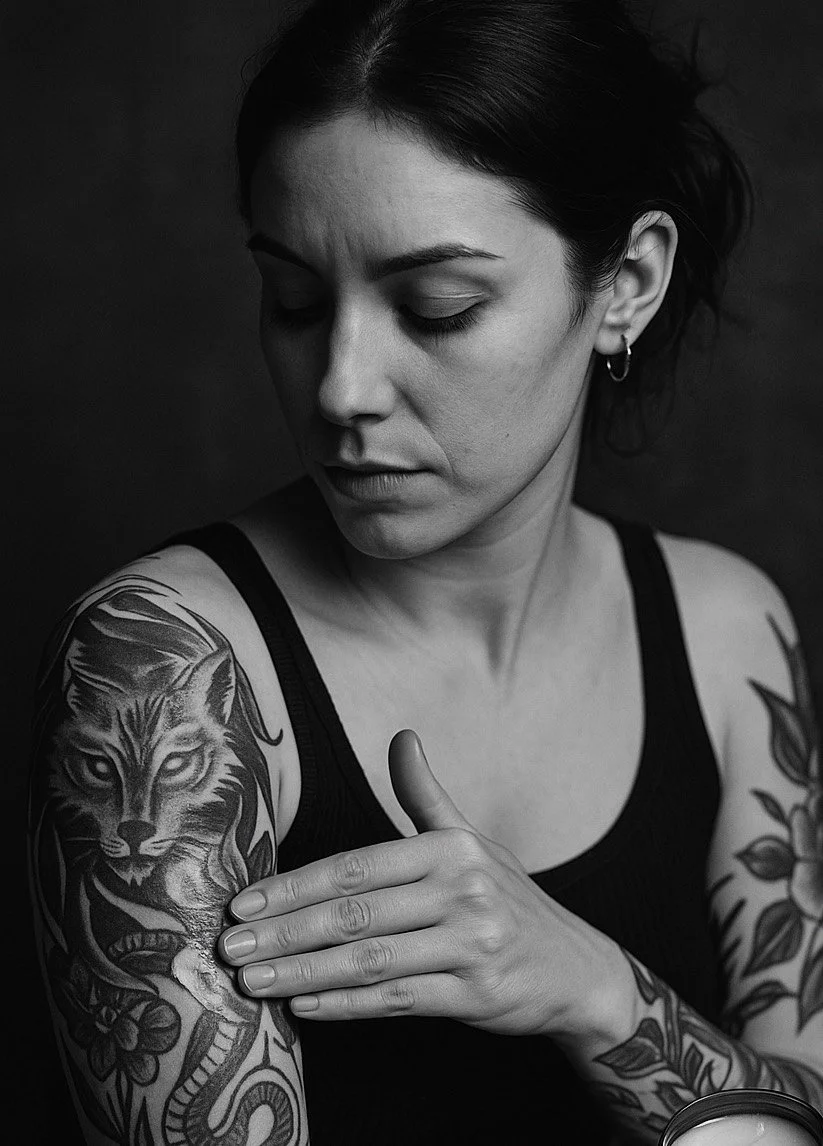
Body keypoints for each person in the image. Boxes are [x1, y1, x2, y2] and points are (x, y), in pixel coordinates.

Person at [28, 0, 823, 1142]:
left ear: (628, 283)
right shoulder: (161, 668)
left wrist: (592, 992)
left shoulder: (726, 628)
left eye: (435, 308)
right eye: (294, 300)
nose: (342, 387)